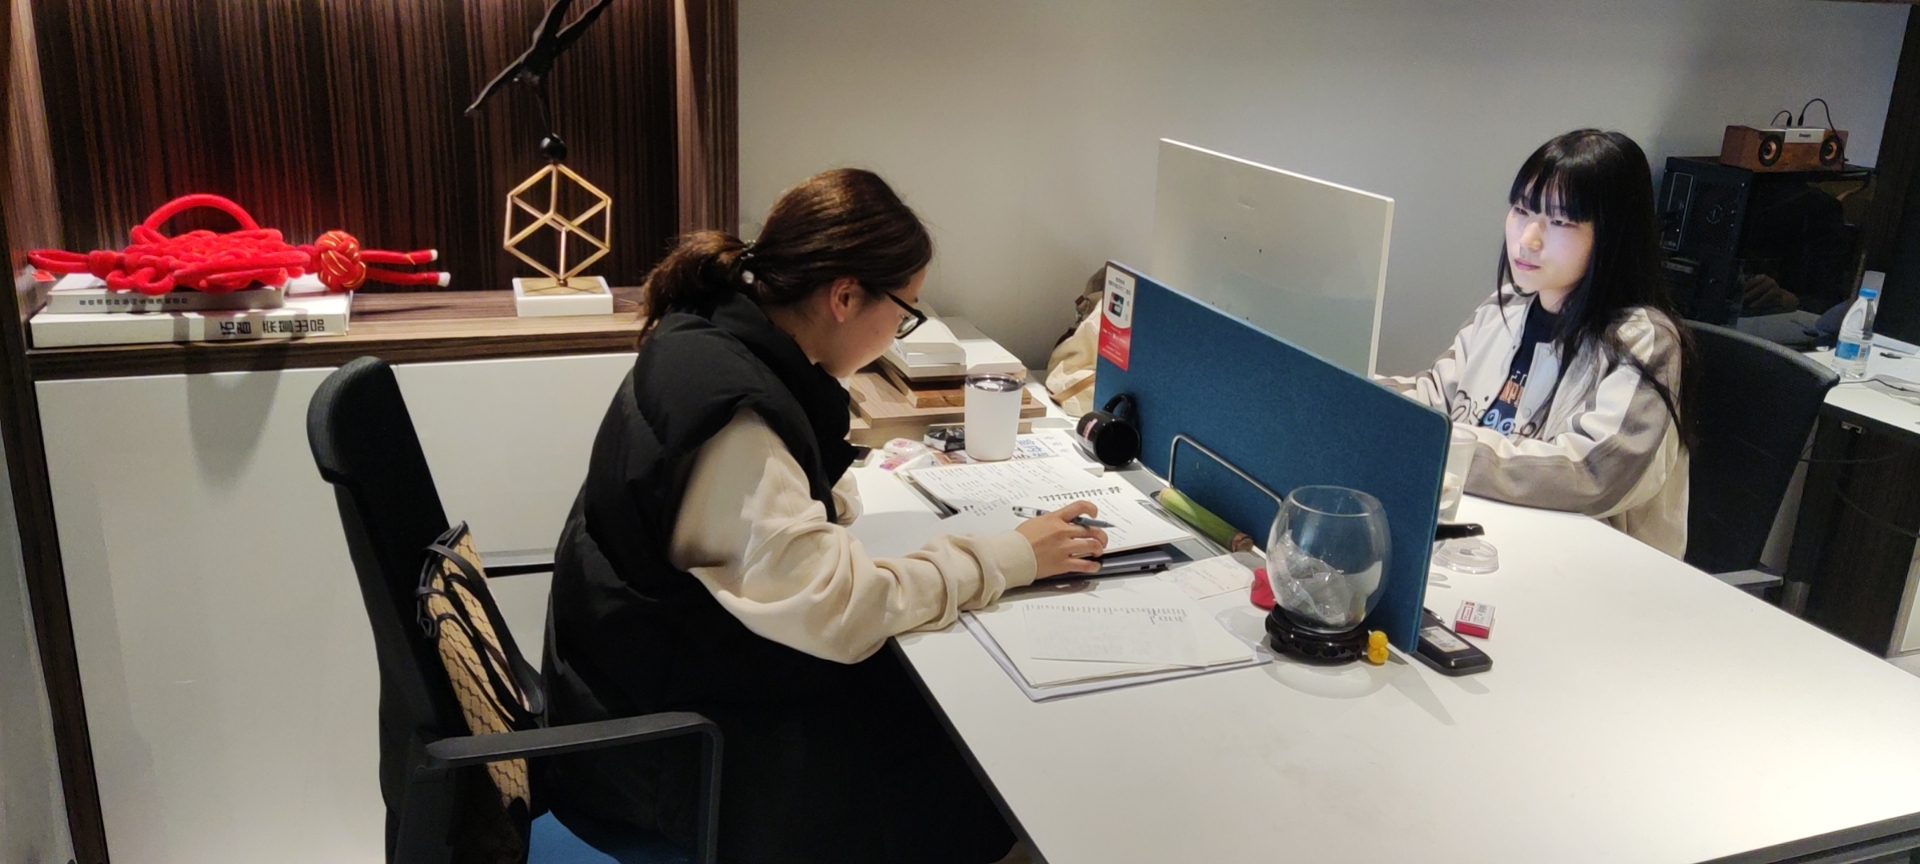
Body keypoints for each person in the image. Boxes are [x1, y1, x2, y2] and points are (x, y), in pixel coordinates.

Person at [540, 168, 1106, 863]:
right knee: (988, 780)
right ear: (844, 296)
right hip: (669, 764)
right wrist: (1010, 557)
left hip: (640, 689)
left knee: (933, 714)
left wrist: (831, 495)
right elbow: (843, 611)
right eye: (906, 310)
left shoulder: (703, 335)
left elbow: (752, 520)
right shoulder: (736, 423)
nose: (901, 329)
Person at [1382, 129, 1692, 557]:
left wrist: (1439, 448)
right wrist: (1356, 393)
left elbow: (1594, 475)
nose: (1528, 239)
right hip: (1494, 540)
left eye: (1560, 222)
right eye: (1521, 210)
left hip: (1590, 566)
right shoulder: (1504, 308)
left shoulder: (1642, 342)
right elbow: (1433, 397)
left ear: (1613, 235)